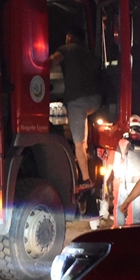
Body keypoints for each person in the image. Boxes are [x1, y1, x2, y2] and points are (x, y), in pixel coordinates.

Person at [48, 26, 101, 187]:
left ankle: (85, 178)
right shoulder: (89, 53)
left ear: (70, 38)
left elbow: (52, 61)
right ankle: (87, 158)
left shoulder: (67, 49)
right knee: (83, 139)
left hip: (77, 101)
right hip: (95, 99)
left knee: (78, 143)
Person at [112, 115, 140, 225]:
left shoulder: (122, 142)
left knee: (121, 210)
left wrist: (119, 176)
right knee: (138, 217)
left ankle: (120, 233)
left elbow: (116, 166)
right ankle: (137, 235)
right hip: (139, 185)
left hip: (126, 184)